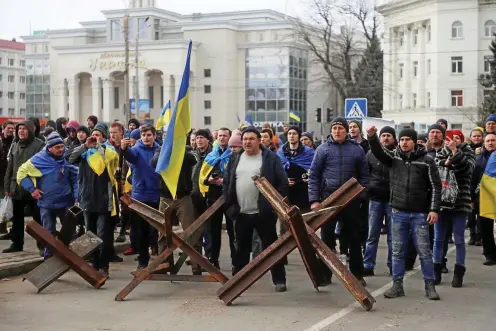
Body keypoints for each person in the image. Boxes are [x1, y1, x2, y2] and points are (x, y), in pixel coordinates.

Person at [367, 125, 441, 300]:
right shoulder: (394, 158)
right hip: (398, 212)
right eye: (401, 140)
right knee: (397, 251)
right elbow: (378, 152)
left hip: (420, 214)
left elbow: (436, 187)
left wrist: (433, 210)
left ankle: (430, 286)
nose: (404, 142)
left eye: (407, 139)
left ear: (414, 141)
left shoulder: (427, 160)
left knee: (424, 251)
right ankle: (397, 285)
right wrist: (371, 137)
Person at [223, 127, 288, 292]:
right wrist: (231, 206)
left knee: (271, 247)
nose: (247, 142)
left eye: (251, 139)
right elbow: (227, 182)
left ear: (259, 141)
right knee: (241, 249)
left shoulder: (270, 158)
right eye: (245, 139)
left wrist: (273, 206)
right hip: (242, 212)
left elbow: (282, 183)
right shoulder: (235, 158)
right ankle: (238, 282)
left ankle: (279, 279)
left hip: (263, 213)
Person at [308, 117, 369, 286]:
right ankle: (325, 275)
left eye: (340, 128)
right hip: (328, 199)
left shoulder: (357, 150)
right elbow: (313, 176)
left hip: (350, 199)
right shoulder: (322, 149)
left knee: (354, 238)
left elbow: (364, 176)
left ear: (346, 130)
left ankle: (357, 274)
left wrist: (361, 195)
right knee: (326, 239)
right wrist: (314, 200)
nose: (337, 131)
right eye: (334, 128)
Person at [17, 132, 78, 259]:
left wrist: (77, 198)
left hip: (66, 202)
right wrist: (32, 190)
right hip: (46, 203)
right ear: (49, 148)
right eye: (57, 147)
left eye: (62, 146)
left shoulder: (67, 158)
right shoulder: (38, 159)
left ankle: (73, 258)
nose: (61, 149)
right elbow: (21, 173)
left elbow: (76, 179)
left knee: (70, 232)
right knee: (48, 233)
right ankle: (48, 259)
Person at [69, 123, 119, 277]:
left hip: (104, 200)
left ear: (104, 138)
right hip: (87, 199)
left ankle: (104, 266)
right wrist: (85, 146)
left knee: (102, 234)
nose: (95, 138)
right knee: (89, 234)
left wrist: (98, 147)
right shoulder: (84, 152)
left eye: (98, 135)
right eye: (94, 134)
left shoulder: (109, 151)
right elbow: (70, 158)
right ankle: (94, 264)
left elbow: (112, 160)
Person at [433, 129, 475, 287]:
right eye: (451, 138)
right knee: (438, 239)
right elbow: (438, 169)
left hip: (460, 202)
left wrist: (455, 153)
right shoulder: (440, 152)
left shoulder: (468, 152)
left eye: (457, 138)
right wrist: (447, 162)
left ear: (462, 140)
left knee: (459, 239)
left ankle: (459, 272)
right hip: (442, 202)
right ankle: (436, 271)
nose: (453, 140)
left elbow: (468, 169)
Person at [121, 124, 160, 269]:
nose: (146, 138)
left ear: (154, 136)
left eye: (149, 135)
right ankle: (143, 261)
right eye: (143, 135)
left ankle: (160, 257)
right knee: (141, 231)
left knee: (156, 230)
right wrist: (123, 148)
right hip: (140, 196)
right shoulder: (136, 150)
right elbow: (128, 155)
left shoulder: (159, 150)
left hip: (157, 194)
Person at [3, 121, 45, 253]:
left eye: (24, 128)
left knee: (38, 218)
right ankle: (17, 243)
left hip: (34, 187)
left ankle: (43, 245)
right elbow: (10, 167)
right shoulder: (15, 145)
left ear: (30, 130)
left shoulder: (39, 145)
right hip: (17, 187)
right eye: (19, 129)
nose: (21, 131)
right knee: (17, 218)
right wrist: (7, 186)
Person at [363, 126, 396, 276]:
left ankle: (392, 265)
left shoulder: (397, 154)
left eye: (389, 135)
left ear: (394, 139)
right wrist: (369, 189)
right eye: (383, 136)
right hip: (375, 199)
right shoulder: (370, 154)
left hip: (392, 200)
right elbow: (366, 173)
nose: (386, 138)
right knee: (372, 234)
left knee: (393, 236)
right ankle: (368, 264)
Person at [199, 128, 232, 269]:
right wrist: (209, 180)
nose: (222, 138)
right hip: (213, 197)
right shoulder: (211, 156)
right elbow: (202, 177)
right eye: (220, 136)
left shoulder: (234, 154)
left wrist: (224, 180)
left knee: (233, 231)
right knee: (213, 231)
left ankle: (237, 262)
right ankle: (213, 260)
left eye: (225, 136)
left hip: (230, 197)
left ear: (230, 138)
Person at [471, 133, 496, 266]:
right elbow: (473, 180)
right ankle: (490, 255)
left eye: (493, 140)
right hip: (483, 198)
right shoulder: (478, 159)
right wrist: (471, 198)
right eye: (488, 141)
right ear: (484, 143)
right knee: (485, 228)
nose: (490, 143)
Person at [467, 128, 484, 246]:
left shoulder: (486, 149)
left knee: (481, 214)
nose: (477, 138)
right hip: (469, 185)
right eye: (474, 136)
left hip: (482, 186)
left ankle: (479, 236)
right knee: (471, 214)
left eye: (479, 136)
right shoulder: (467, 150)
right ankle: (472, 235)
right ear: (471, 138)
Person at [0, 120, 15, 236]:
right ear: (3, 129)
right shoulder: (1, 142)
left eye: (12, 128)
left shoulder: (15, 143)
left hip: (9, 177)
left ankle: (10, 228)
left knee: (9, 202)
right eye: (8, 128)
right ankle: (2, 227)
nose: (10, 130)